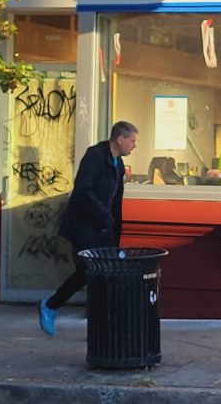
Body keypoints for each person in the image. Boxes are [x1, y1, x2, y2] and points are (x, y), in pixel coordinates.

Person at [37, 120, 138, 336]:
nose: (134, 145)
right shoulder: (95, 156)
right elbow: (83, 190)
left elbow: (116, 200)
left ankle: (101, 328)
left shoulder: (117, 163)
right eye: (132, 140)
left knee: (105, 275)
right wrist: (103, 216)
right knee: (87, 272)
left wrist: (114, 230)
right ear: (120, 139)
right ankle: (51, 305)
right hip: (84, 227)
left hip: (104, 229)